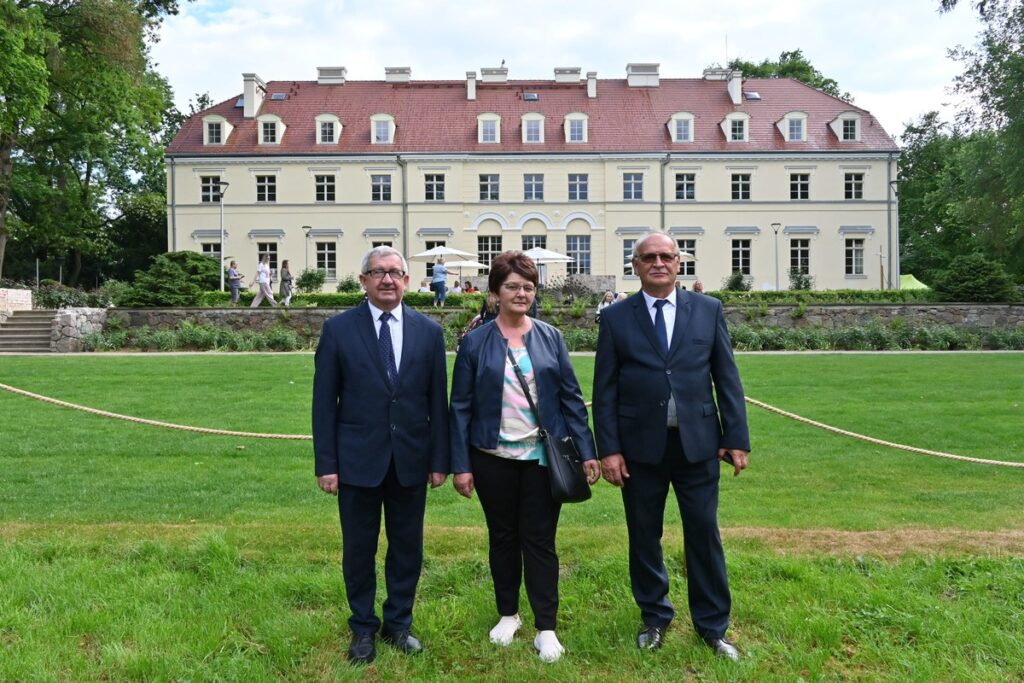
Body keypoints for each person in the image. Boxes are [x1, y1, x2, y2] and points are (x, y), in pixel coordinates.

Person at [592, 232, 750, 661]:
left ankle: (712, 627)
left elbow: (726, 378)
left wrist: (736, 437)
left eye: (666, 256)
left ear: (679, 263)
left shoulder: (708, 309)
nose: (658, 263)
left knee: (704, 534)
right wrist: (609, 449)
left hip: (698, 446)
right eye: (649, 257)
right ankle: (655, 618)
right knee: (644, 535)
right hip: (638, 449)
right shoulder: (617, 318)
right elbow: (603, 390)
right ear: (635, 265)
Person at [449, 251, 600, 664]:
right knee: (502, 537)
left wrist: (587, 452)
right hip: (491, 457)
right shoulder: (476, 342)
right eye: (513, 286)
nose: (521, 294)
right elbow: (459, 406)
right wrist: (460, 465)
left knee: (539, 541)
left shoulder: (550, 337)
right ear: (495, 292)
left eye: (529, 287)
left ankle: (545, 627)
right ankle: (508, 614)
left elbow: (571, 399)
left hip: (541, 458)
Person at [312, 246, 450, 665]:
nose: (387, 280)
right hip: (356, 460)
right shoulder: (338, 330)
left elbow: (437, 402)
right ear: (363, 281)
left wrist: (439, 460)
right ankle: (362, 628)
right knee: (359, 548)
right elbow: (323, 403)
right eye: (378, 272)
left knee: (407, 547)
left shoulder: (429, 332)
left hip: (411, 458)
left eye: (395, 273)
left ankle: (399, 624)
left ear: (408, 280)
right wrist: (327, 464)